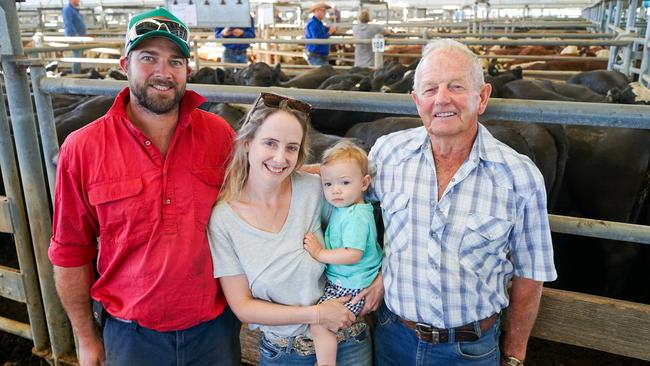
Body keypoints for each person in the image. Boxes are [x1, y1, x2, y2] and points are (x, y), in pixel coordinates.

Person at [49, 8, 241, 366]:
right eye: (148, 58)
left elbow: (255, 205)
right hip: (130, 335)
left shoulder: (220, 135)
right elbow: (70, 252)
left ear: (188, 70)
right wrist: (87, 338)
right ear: (125, 65)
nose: (163, 73)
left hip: (214, 330)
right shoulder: (83, 148)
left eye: (175, 61)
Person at [367, 38, 557, 365]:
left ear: (482, 97)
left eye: (456, 86)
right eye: (429, 90)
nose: (441, 99)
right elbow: (341, 195)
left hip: (471, 350)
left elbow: (530, 274)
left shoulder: (519, 177)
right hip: (393, 337)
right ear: (416, 101)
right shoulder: (387, 154)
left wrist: (514, 355)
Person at [207, 92, 372, 366]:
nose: (281, 158)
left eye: (292, 148)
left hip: (349, 339)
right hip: (285, 353)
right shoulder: (224, 219)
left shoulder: (313, 188)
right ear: (247, 143)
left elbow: (366, 215)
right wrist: (316, 315)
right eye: (270, 144)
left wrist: (378, 281)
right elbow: (243, 307)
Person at [303, 141, 382, 366]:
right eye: (328, 184)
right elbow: (328, 172)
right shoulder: (346, 206)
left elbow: (352, 254)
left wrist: (319, 253)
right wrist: (308, 170)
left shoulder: (356, 216)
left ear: (365, 183)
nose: (335, 190)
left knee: (319, 322)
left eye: (345, 182)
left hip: (353, 286)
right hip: (347, 280)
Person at [61, 0, 87, 74]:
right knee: (77, 57)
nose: (79, 1)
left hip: (79, 38)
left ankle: (77, 74)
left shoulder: (74, 10)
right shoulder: (67, 9)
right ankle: (76, 75)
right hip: (74, 38)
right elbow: (68, 24)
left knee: (78, 57)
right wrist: (74, 36)